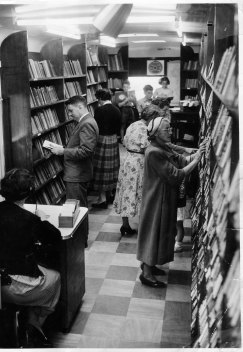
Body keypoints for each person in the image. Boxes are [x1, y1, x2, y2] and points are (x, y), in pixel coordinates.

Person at [137, 117, 206, 287]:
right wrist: (197, 160)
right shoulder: (154, 152)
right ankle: (146, 273)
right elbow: (176, 175)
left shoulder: (163, 147)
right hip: (156, 201)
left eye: (169, 129)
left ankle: (150, 265)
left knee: (161, 232)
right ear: (155, 133)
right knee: (154, 233)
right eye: (166, 129)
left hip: (164, 199)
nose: (170, 132)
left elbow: (181, 161)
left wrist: (196, 154)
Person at [0, 168, 61, 348]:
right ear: (28, 192)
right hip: (13, 286)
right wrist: (41, 219)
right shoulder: (29, 220)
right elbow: (55, 237)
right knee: (55, 278)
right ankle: (33, 327)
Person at [51, 95, 99, 245]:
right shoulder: (84, 121)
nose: (69, 114)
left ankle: (79, 242)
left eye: (71, 110)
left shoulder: (86, 124)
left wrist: (63, 151)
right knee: (78, 207)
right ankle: (79, 240)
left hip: (77, 174)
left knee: (78, 209)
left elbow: (86, 150)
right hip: (77, 172)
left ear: (80, 106)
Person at [113, 104, 161, 236]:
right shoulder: (144, 129)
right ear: (152, 117)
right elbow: (147, 149)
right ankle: (144, 226)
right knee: (140, 192)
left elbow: (125, 141)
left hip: (128, 160)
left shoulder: (134, 124)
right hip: (138, 162)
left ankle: (125, 225)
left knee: (126, 191)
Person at [92, 89, 121, 209]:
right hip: (113, 139)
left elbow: (96, 127)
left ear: (99, 99)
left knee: (101, 169)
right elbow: (119, 127)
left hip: (102, 140)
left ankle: (102, 199)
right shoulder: (117, 109)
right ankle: (110, 194)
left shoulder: (99, 110)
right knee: (112, 169)